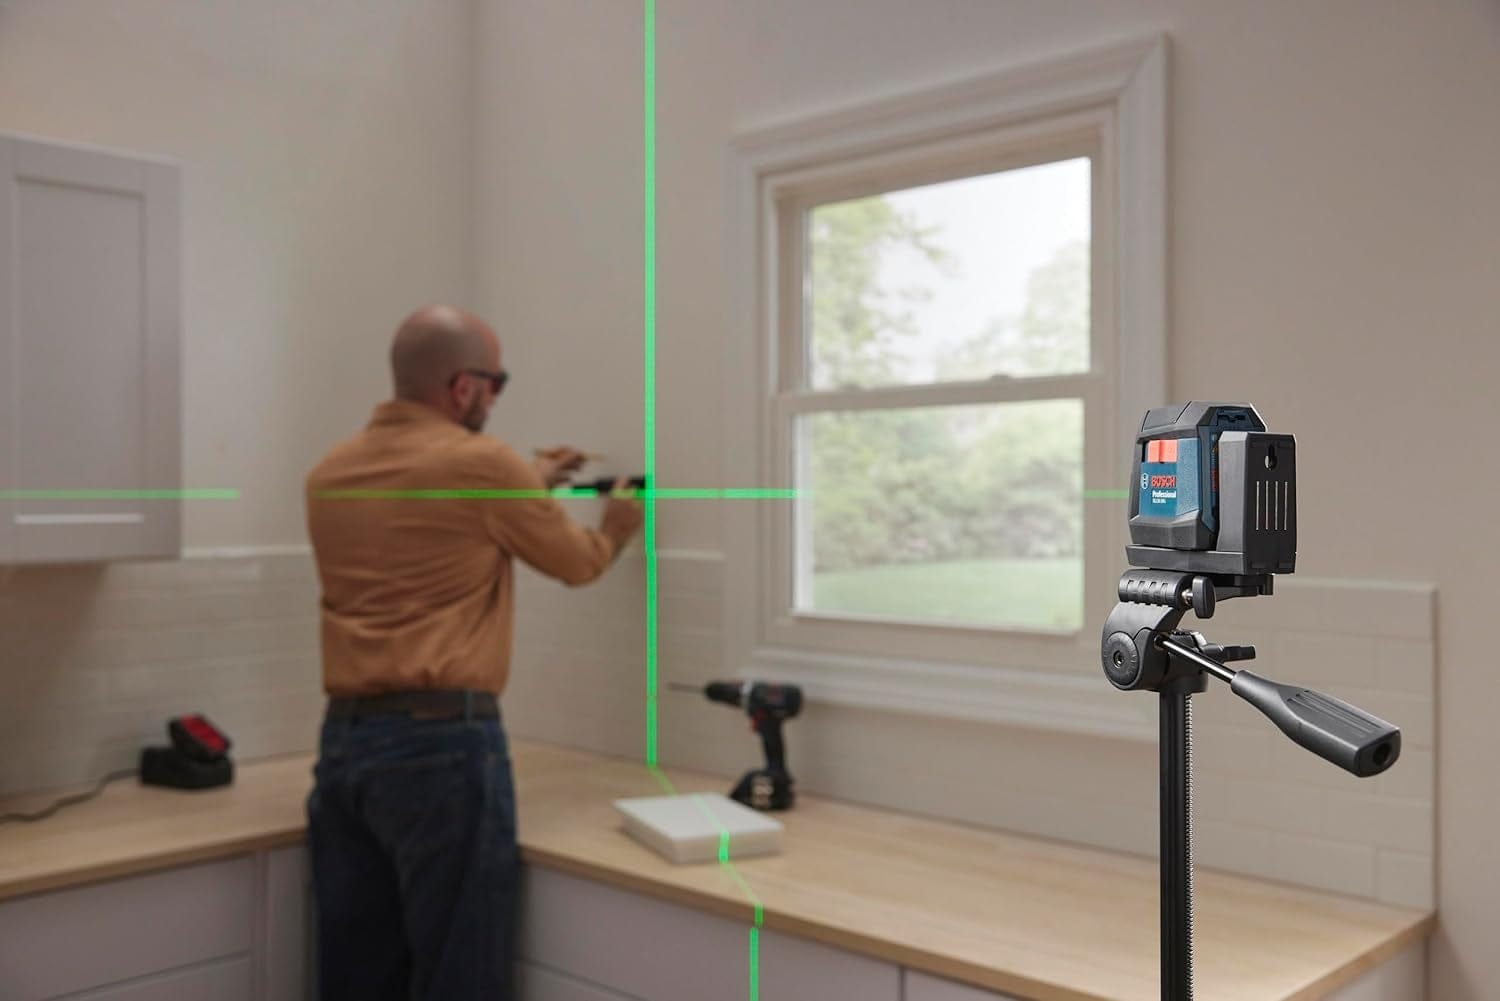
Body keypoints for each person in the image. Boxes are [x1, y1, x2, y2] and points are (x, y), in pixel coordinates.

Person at [303, 304, 643, 1001]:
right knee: (459, 975)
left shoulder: (331, 470)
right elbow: (578, 563)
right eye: (497, 382)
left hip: (345, 746)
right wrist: (618, 523)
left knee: (359, 975)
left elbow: (433, 521)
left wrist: (530, 481)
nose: (496, 397)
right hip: (441, 748)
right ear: (463, 387)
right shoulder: (482, 465)